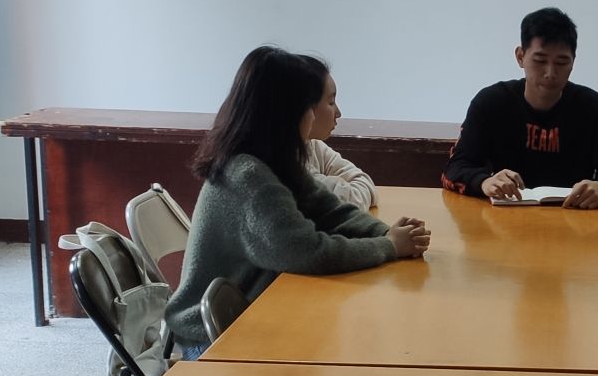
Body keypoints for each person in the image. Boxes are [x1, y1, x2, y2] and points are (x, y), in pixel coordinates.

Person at [165, 48, 429, 357]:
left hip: (254, 312)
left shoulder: (273, 161)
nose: (315, 116)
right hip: (211, 339)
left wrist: (384, 233)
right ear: (287, 112)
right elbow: (308, 252)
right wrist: (389, 246)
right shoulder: (248, 176)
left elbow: (329, 211)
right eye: (311, 107)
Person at [442, 7, 598, 208]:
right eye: (540, 61)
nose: (550, 73)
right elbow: (454, 170)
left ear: (573, 62)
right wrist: (484, 182)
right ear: (520, 57)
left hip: (575, 216)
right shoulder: (490, 102)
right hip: (505, 216)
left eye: (561, 62)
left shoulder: (593, 107)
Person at [299, 67, 376, 209]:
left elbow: (365, 182)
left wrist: (336, 185)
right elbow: (345, 204)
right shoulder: (284, 166)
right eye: (331, 102)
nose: (338, 113)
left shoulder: (313, 145)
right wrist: (339, 184)